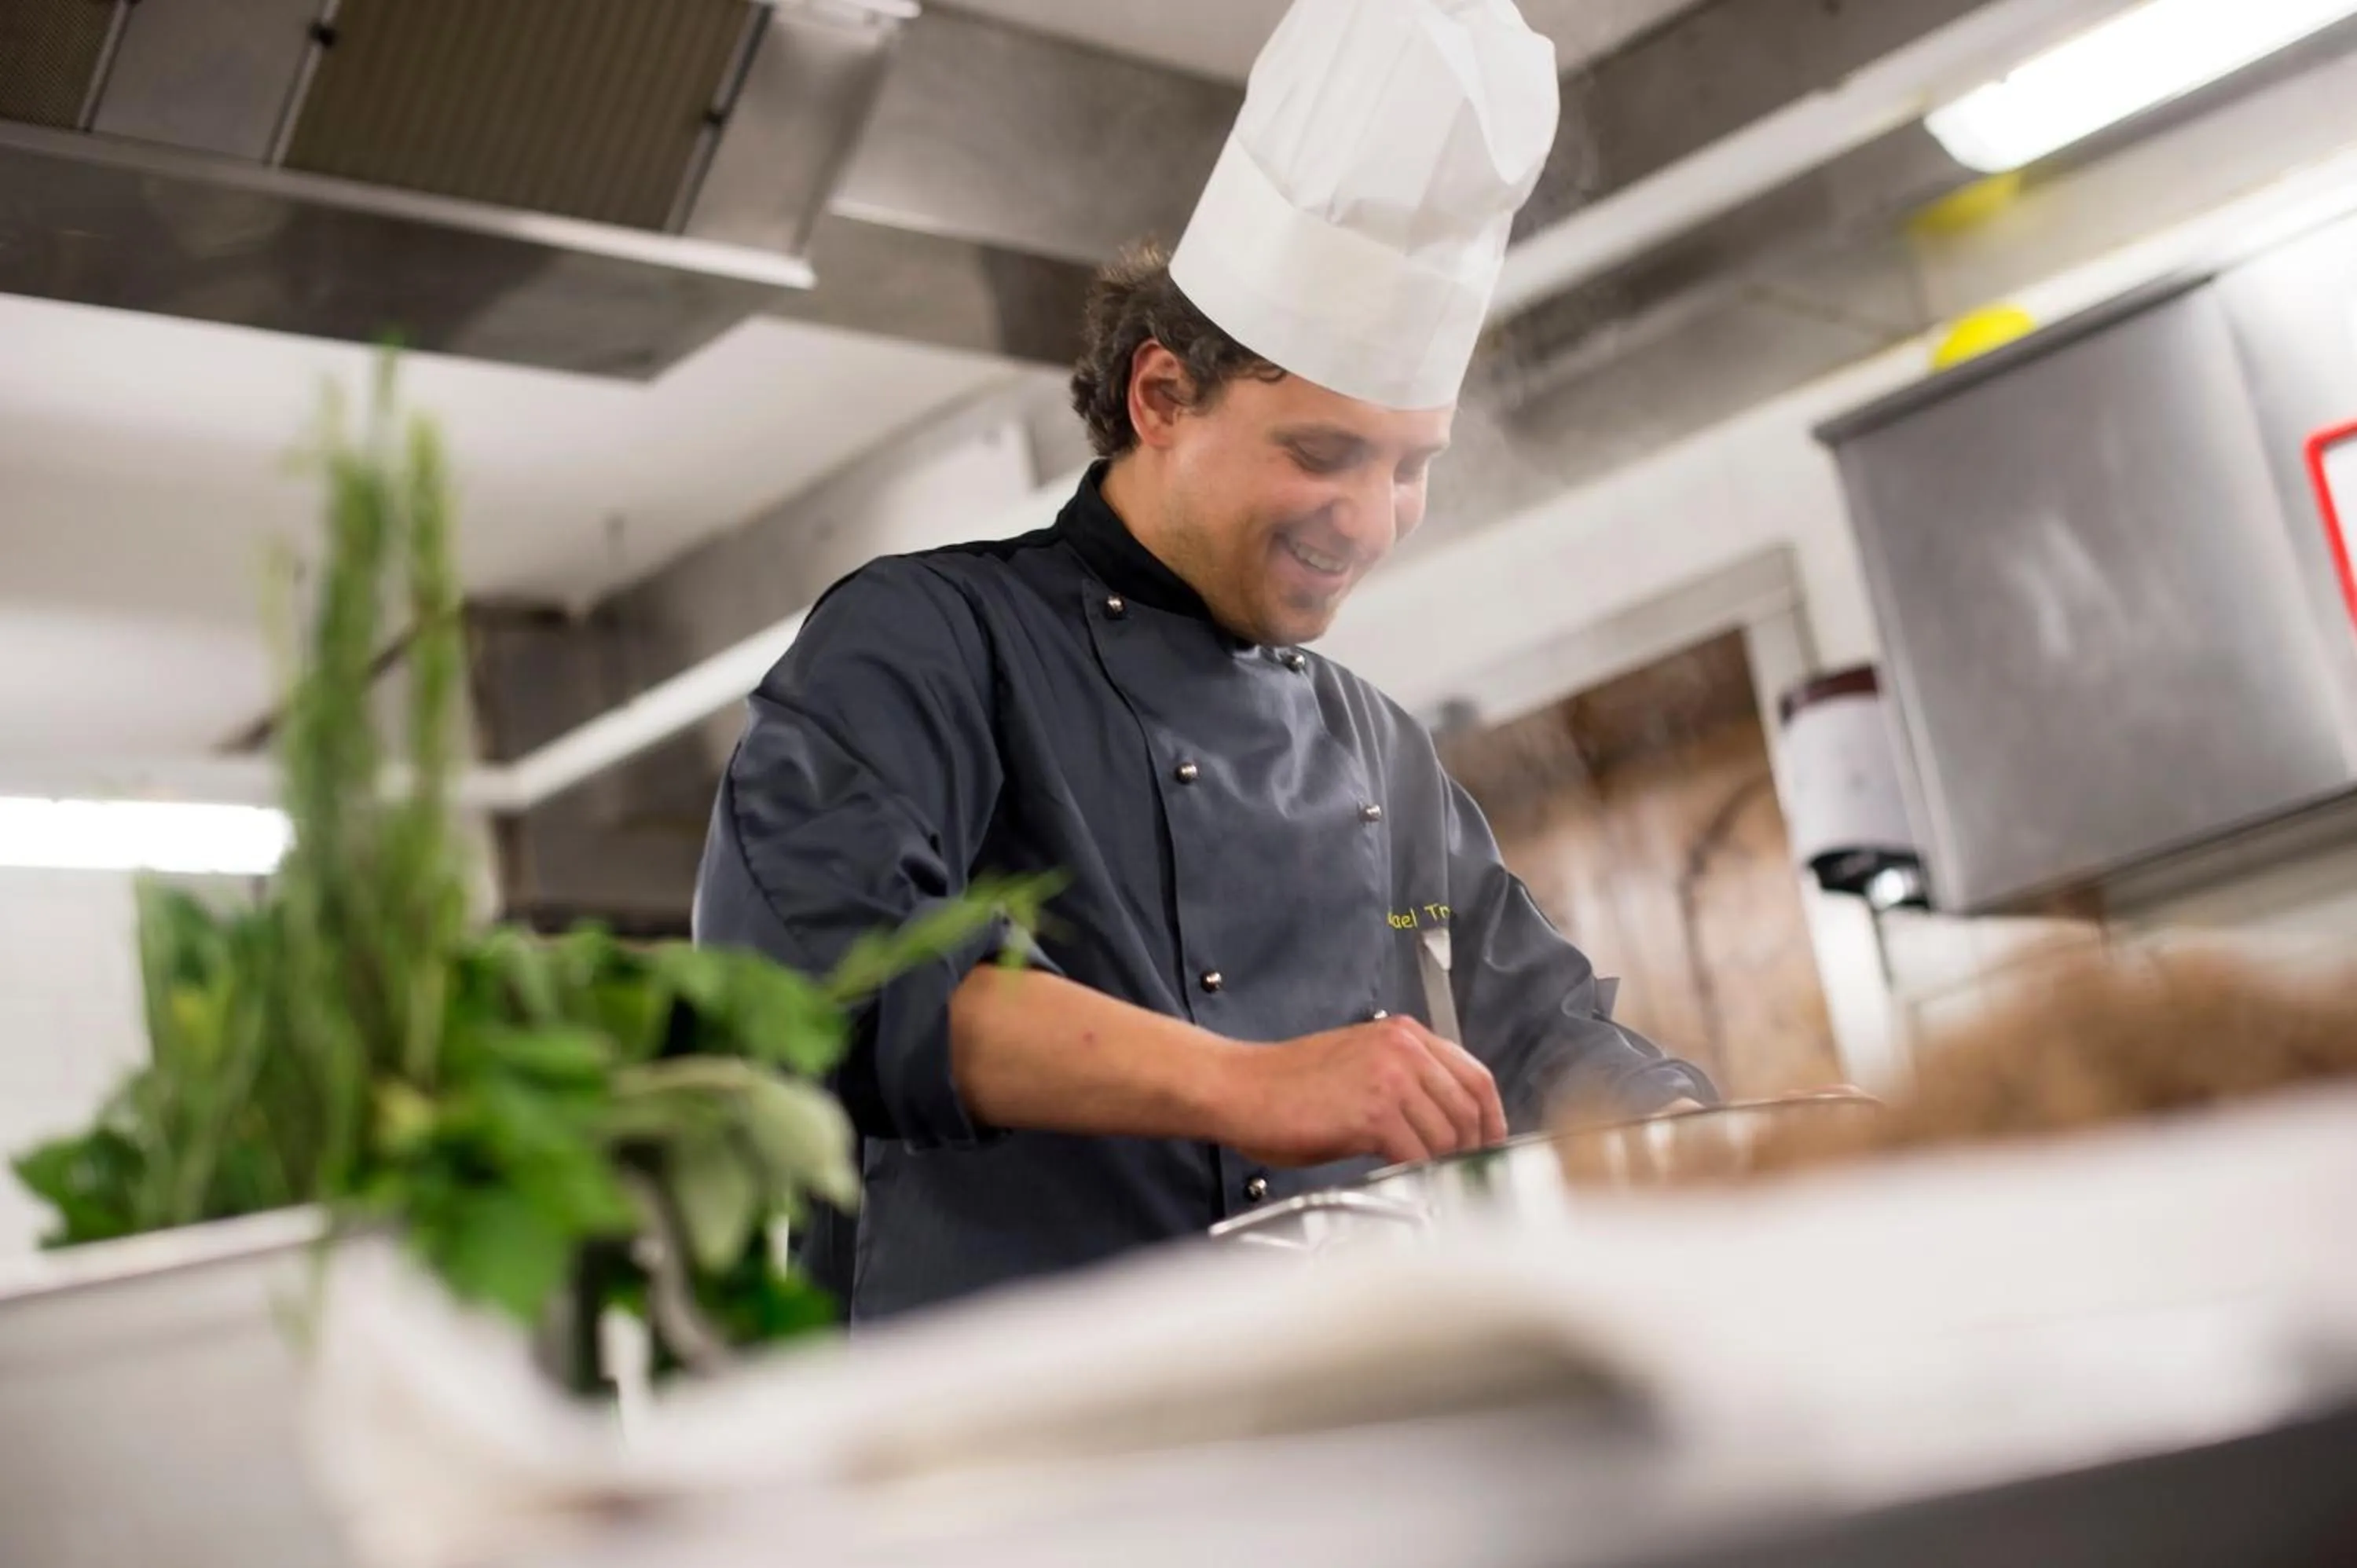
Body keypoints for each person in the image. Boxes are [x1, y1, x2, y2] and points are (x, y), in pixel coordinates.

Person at [695, 0, 1714, 1321]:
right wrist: (1253, 1081)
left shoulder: (1372, 747)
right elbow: (811, 985)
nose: (1368, 519)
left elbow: (1542, 1026)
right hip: (1001, 1466)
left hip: (1330, 1423)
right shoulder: (932, 641)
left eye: (1412, 468)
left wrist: (1710, 1131)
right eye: (1322, 454)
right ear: (1161, 396)